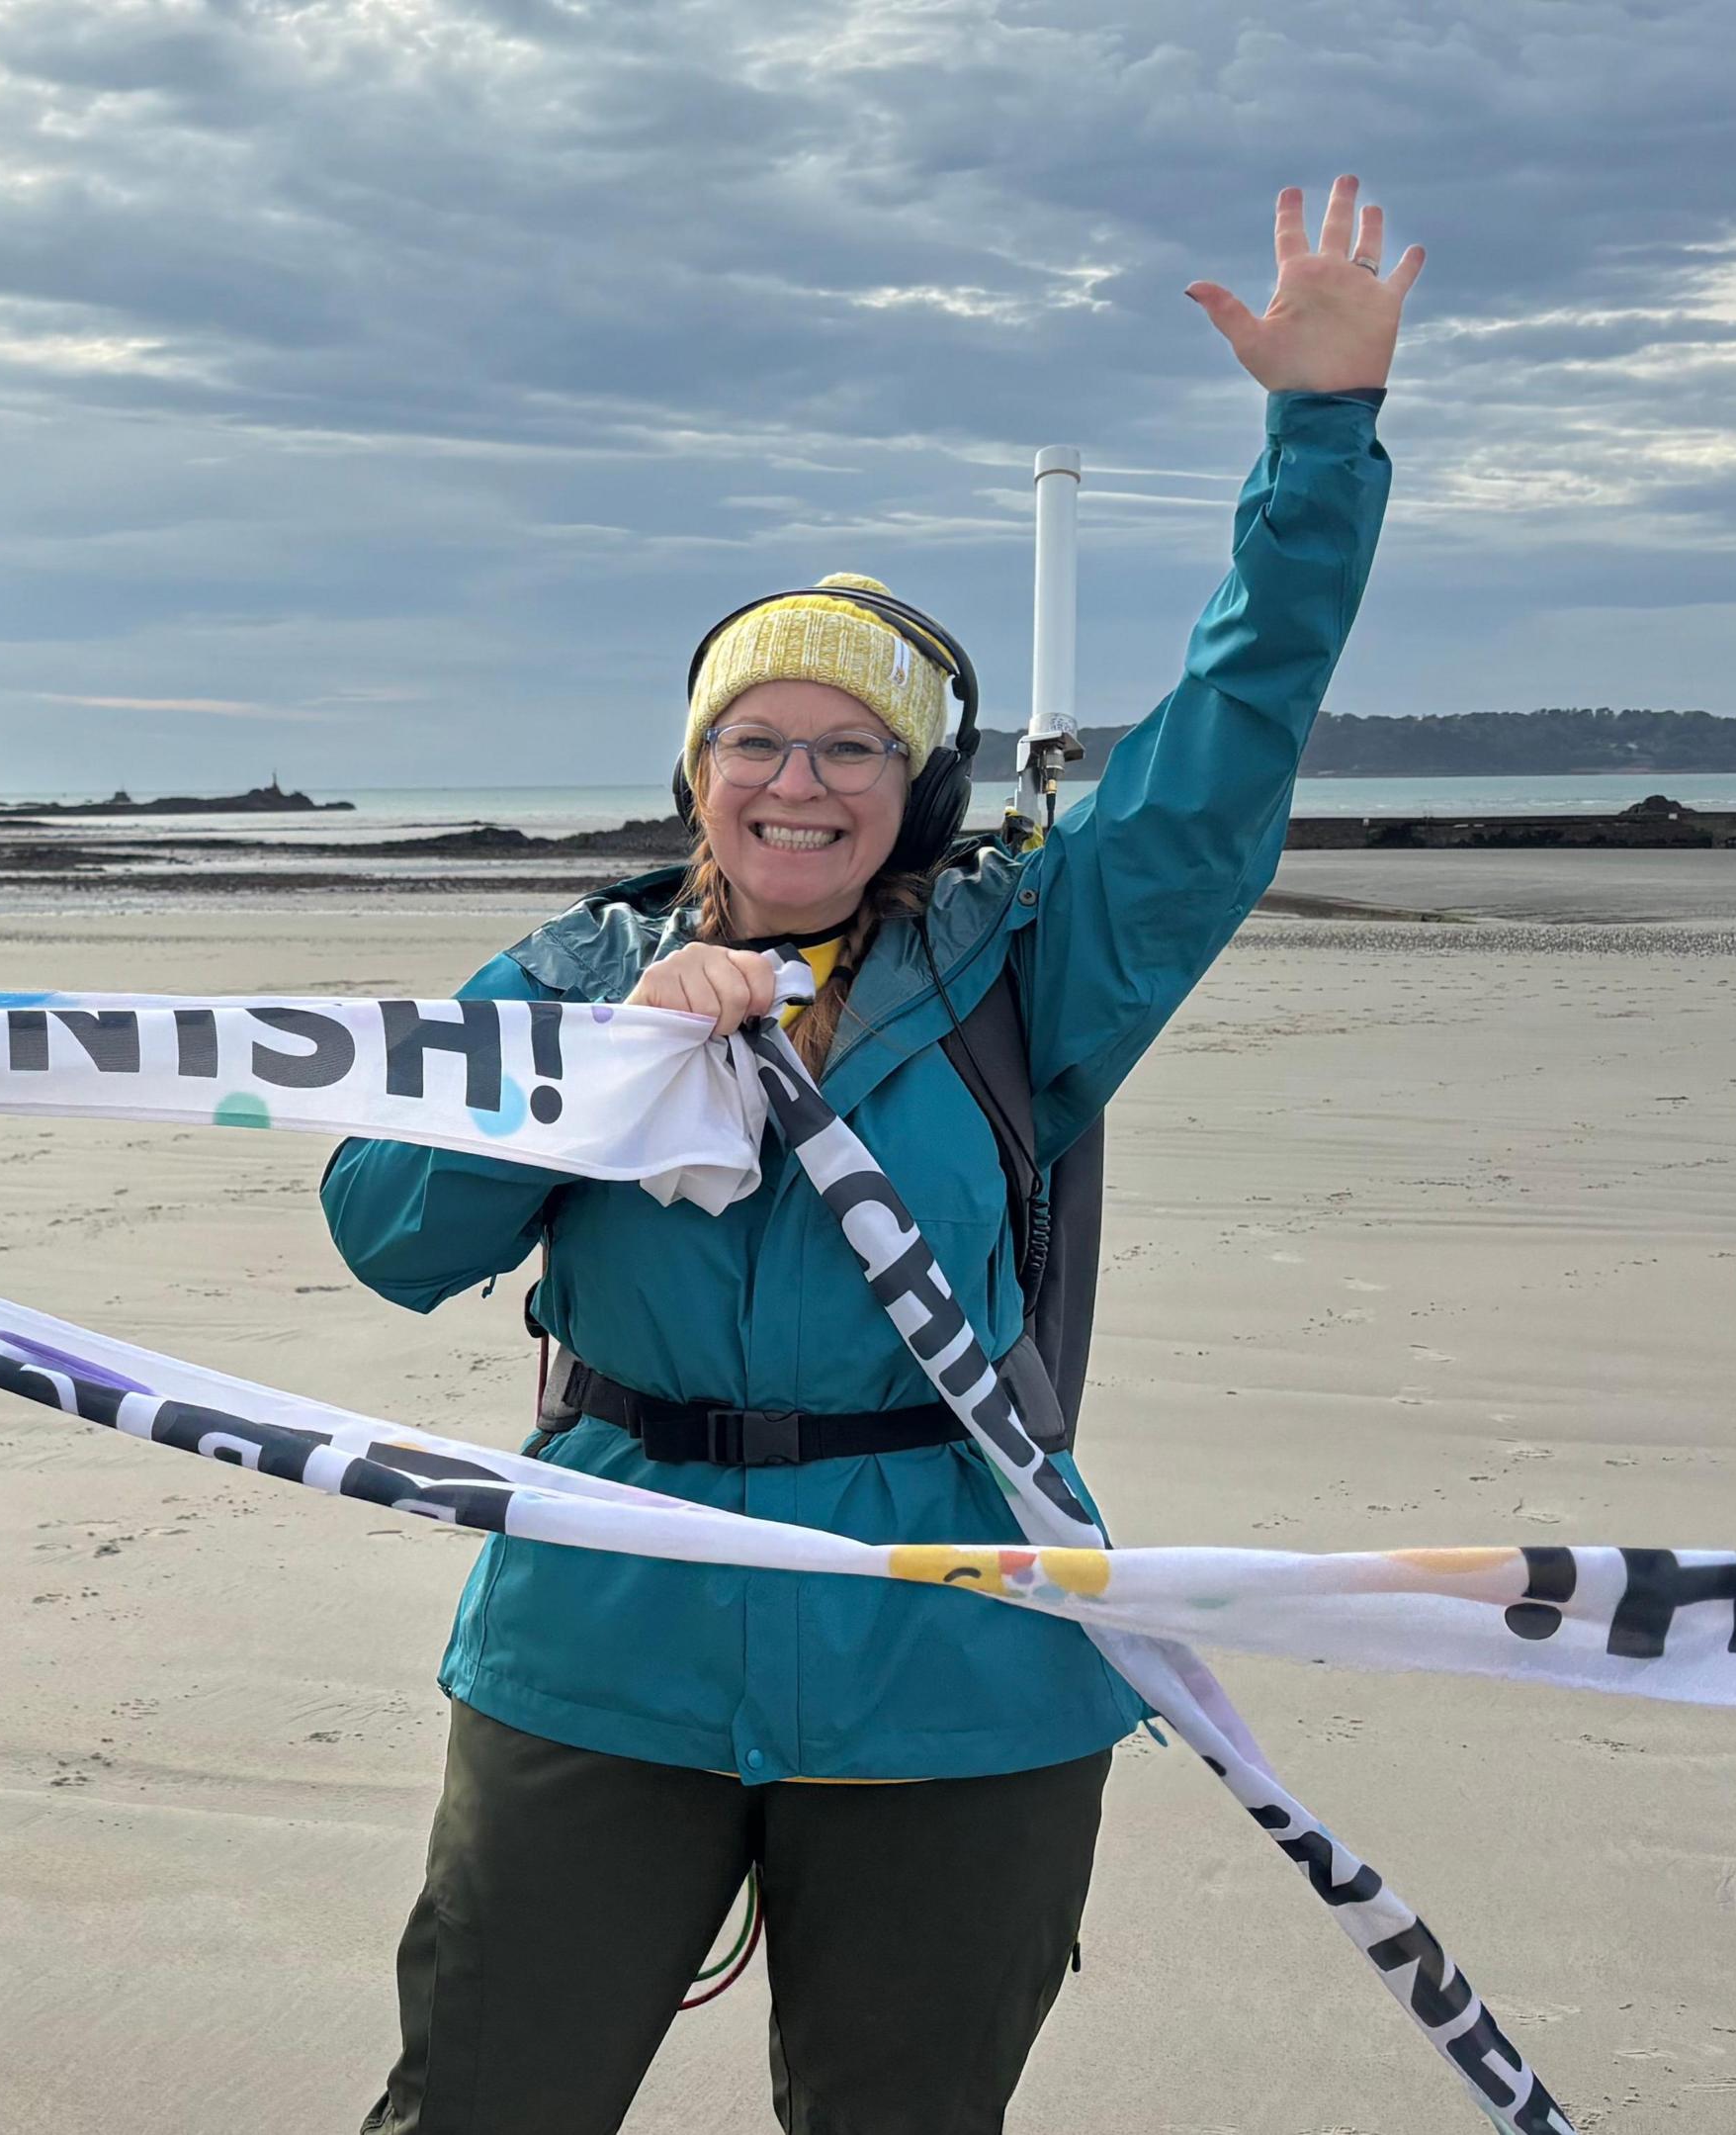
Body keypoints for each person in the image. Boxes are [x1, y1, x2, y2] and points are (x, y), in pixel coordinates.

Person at [321, 180, 1423, 2135]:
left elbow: (1227, 754)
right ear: (694, 771)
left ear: (916, 783)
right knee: (482, 2099)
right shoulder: (577, 967)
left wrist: (1318, 442)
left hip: (957, 1647)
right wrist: (592, 1073)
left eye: (850, 747)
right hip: (604, 1631)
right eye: (755, 740)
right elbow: (391, 1231)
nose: (796, 781)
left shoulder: (1028, 964)